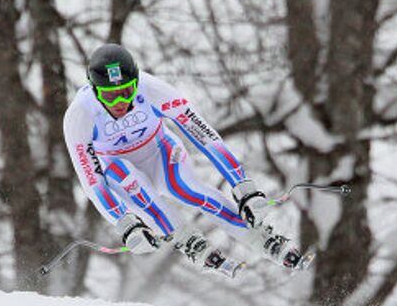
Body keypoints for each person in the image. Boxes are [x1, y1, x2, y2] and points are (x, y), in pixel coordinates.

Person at [63, 43, 306, 277]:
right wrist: (125, 222)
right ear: (95, 91)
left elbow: (204, 135)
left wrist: (242, 186)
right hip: (122, 171)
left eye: (127, 92)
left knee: (185, 188)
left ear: (136, 83)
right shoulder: (80, 115)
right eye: (110, 96)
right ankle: (186, 239)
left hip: (160, 152)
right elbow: (91, 180)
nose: (120, 103)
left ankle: (263, 239)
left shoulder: (153, 90)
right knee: (119, 172)